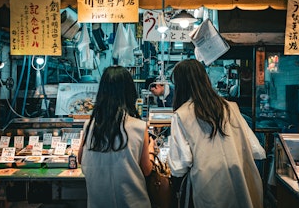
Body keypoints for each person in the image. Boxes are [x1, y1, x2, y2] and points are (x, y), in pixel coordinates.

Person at [167, 59, 265, 208]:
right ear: (205, 78)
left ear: (181, 85)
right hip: (241, 183)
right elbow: (257, 151)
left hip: (208, 188)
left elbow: (179, 167)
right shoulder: (231, 107)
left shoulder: (181, 115)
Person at [78, 65, 155, 208]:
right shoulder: (139, 126)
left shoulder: (90, 125)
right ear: (129, 92)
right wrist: (151, 149)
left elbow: (80, 159)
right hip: (132, 203)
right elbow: (147, 169)